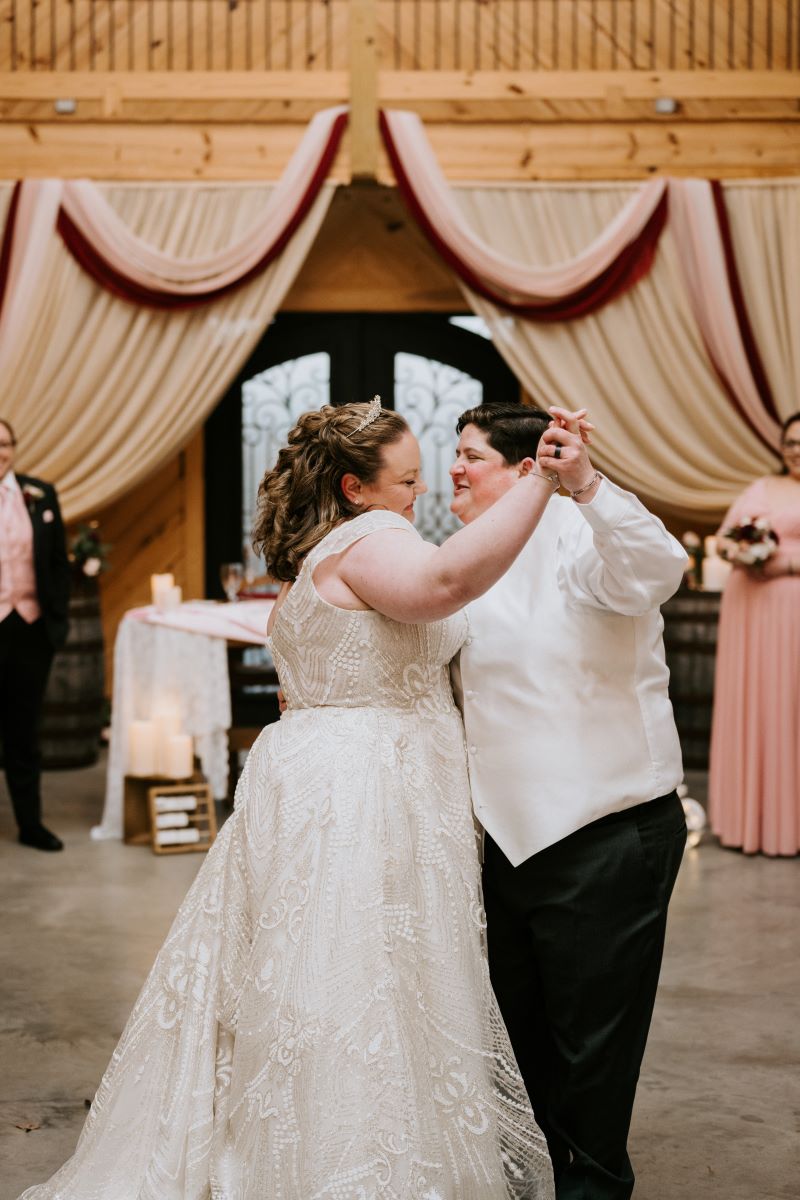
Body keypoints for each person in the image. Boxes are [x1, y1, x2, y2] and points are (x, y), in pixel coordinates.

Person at [19, 398, 561, 1200]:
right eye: (406, 480)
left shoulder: (319, 556)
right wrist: (542, 482)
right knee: (357, 978)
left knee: (332, 972)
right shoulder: (373, 538)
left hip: (328, 775)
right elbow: (445, 583)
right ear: (355, 487)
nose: (421, 495)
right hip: (363, 791)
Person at [449, 402, 688, 1200]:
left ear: (526, 470)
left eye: (470, 455)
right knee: (520, 1047)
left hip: (604, 835)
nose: (454, 469)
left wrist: (583, 482)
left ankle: (591, 1189)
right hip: (503, 843)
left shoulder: (585, 537)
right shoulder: (463, 556)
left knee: (592, 1055)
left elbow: (657, 571)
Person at [708, 410, 800, 856]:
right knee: (754, 701)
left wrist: (783, 562)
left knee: (790, 704)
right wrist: (739, 552)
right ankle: (748, 822)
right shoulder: (760, 488)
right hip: (749, 608)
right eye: (791, 442)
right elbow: (724, 538)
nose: (796, 450)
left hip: (792, 612)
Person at [0, 418, 69, 852]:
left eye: (5, 444)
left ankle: (30, 824)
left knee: (23, 730)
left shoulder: (39, 494)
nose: (0, 452)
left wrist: (53, 624)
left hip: (28, 627)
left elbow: (57, 563)